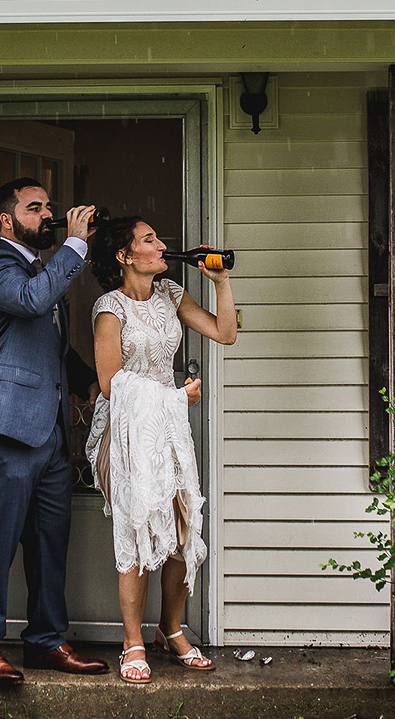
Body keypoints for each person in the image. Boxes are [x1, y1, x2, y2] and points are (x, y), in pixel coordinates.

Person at [0, 179, 111, 685]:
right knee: (0, 540)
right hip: (7, 427)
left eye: (49, 206)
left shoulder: (38, 271)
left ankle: (46, 641)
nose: (47, 214)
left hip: (49, 434)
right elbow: (30, 303)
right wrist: (74, 244)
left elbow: (48, 344)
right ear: (7, 220)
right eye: (35, 208)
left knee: (51, 541)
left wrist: (86, 380)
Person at [86, 217, 236, 684]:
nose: (162, 246)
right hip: (127, 433)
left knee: (180, 530)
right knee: (137, 528)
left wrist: (222, 283)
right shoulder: (109, 310)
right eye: (150, 240)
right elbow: (111, 385)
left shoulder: (171, 293)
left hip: (169, 431)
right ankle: (132, 641)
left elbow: (224, 332)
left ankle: (170, 630)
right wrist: (175, 396)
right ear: (125, 256)